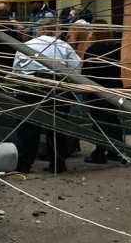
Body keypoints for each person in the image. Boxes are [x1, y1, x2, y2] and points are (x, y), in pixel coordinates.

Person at [12, 16, 80, 173]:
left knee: (28, 128)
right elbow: (76, 68)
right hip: (57, 88)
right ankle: (58, 164)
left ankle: (24, 165)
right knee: (57, 128)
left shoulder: (28, 45)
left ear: (41, 29)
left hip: (30, 87)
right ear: (57, 30)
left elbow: (16, 69)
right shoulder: (65, 47)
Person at [76, 21, 130, 164]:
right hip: (114, 88)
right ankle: (117, 151)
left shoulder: (93, 49)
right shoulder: (113, 48)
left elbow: (87, 73)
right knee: (113, 120)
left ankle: (100, 153)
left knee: (100, 123)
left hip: (98, 91)